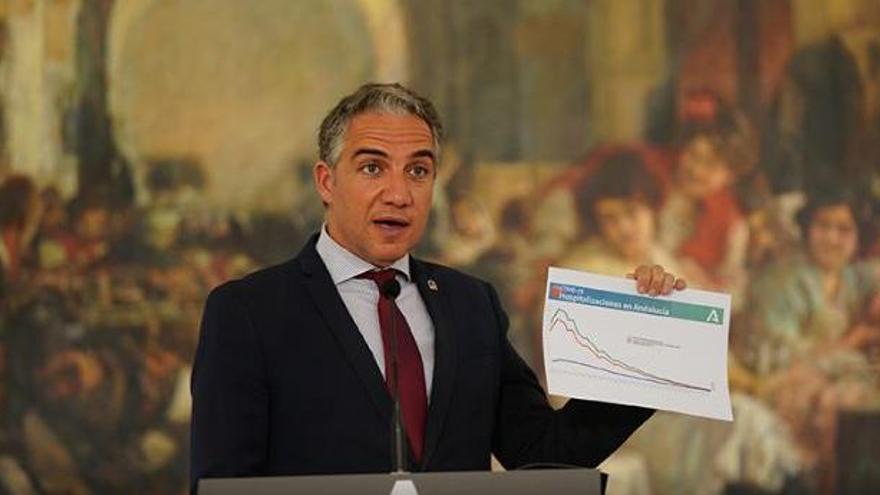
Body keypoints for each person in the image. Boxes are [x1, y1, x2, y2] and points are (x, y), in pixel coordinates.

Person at [189, 83, 686, 491]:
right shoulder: (249, 312)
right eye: (372, 167)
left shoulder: (471, 305)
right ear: (326, 181)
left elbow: (543, 451)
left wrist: (643, 341)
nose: (399, 193)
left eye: (419, 171)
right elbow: (223, 485)